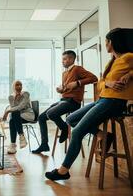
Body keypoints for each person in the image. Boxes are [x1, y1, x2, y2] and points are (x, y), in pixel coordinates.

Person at [45, 28, 133, 181]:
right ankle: (103, 135)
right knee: (70, 119)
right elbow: (100, 83)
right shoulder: (112, 61)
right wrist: (108, 83)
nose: (106, 44)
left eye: (106, 41)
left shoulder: (129, 57)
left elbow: (96, 80)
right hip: (103, 99)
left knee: (78, 132)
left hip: (115, 102)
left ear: (112, 42)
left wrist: (130, 74)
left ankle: (63, 170)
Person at [32, 50, 98, 154]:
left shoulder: (77, 69)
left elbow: (94, 78)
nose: (63, 61)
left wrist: (78, 83)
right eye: (62, 59)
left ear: (71, 59)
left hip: (73, 102)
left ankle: (64, 129)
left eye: (65, 59)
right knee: (41, 117)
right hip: (63, 100)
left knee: (51, 113)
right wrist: (61, 89)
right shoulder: (64, 73)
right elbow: (67, 88)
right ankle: (44, 144)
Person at [3, 80, 34, 154]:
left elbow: (21, 107)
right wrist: (16, 99)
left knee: (14, 115)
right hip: (18, 117)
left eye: (20, 85)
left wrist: (7, 112)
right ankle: (20, 138)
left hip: (28, 114)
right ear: (13, 87)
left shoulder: (26, 94)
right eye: (17, 85)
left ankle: (14, 143)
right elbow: (14, 108)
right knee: (13, 118)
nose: (19, 86)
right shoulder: (11, 97)